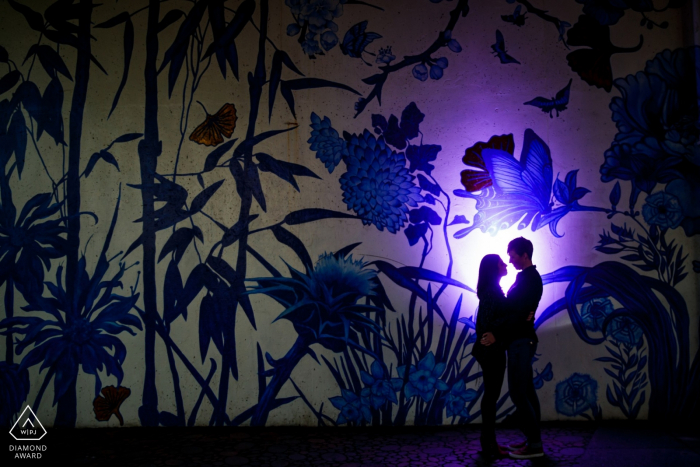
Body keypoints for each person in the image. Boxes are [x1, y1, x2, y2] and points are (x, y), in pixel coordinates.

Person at [481, 237, 544, 459]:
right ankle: (533, 441)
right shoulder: (525, 278)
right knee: (526, 391)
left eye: (512, 255)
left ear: (524, 255)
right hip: (520, 340)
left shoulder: (530, 279)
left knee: (519, 393)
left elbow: (517, 314)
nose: (510, 259)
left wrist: (497, 332)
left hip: (521, 341)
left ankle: (534, 445)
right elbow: (517, 312)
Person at [471, 254, 534, 458]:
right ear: (493, 268)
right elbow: (488, 321)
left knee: (490, 396)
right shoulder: (492, 292)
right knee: (491, 397)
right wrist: (493, 334)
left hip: (491, 350)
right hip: (491, 351)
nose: (505, 264)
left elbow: (494, 318)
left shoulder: (492, 291)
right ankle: (489, 443)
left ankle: (488, 442)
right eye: (501, 262)